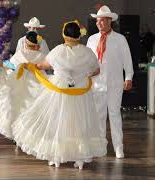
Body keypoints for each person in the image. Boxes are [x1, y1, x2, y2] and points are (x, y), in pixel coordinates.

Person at [11, 20, 107, 169]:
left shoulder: (58, 50)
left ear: (64, 35)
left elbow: (43, 65)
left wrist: (33, 66)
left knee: (58, 119)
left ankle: (56, 157)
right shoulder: (87, 52)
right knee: (79, 122)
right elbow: (97, 70)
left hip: (60, 88)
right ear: (78, 35)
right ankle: (80, 158)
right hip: (80, 90)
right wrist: (83, 75)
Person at [87, 5, 134, 159]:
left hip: (115, 84)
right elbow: (87, 61)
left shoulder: (120, 39)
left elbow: (127, 60)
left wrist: (129, 77)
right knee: (99, 117)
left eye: (101, 21)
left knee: (114, 115)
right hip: (96, 84)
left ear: (109, 21)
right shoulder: (91, 39)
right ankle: (101, 148)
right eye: (97, 21)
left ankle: (119, 148)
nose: (98, 23)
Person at [0, 31, 46, 139]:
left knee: (18, 110)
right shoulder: (42, 56)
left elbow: (11, 65)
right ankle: (31, 136)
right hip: (37, 86)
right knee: (33, 110)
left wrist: (1, 64)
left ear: (26, 43)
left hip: (18, 86)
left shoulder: (20, 54)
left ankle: (18, 135)